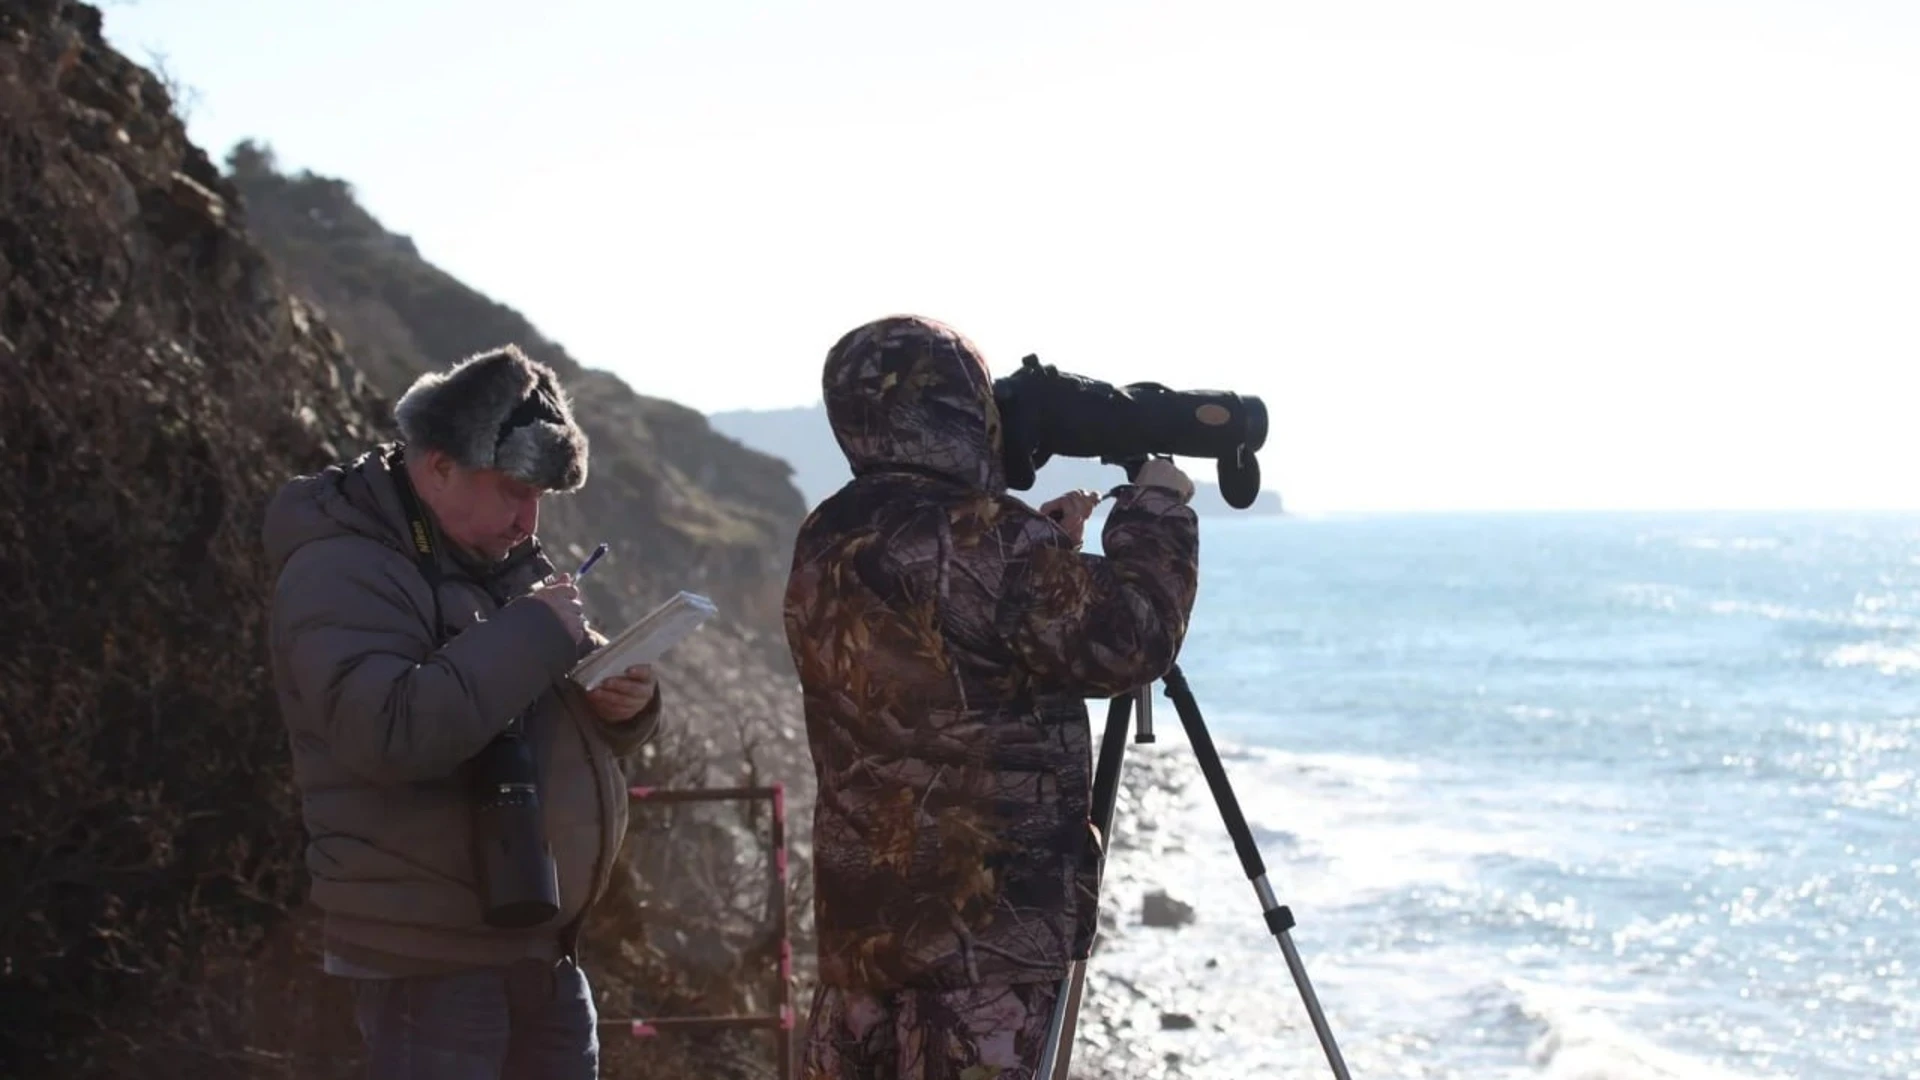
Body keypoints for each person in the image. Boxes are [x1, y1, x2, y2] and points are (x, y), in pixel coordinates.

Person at [783, 315, 1201, 1078]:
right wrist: (1157, 509)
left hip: (865, 935)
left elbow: (944, 639)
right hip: (985, 941)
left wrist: (1042, 555)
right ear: (963, 407)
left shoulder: (827, 536)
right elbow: (1130, 639)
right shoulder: (988, 539)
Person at [262, 344, 664, 1079]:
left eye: (541, 497)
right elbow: (389, 731)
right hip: (429, 963)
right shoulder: (343, 566)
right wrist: (538, 633)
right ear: (439, 465)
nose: (528, 520)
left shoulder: (498, 558)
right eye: (514, 489)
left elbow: (530, 689)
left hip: (538, 945)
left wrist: (623, 704)